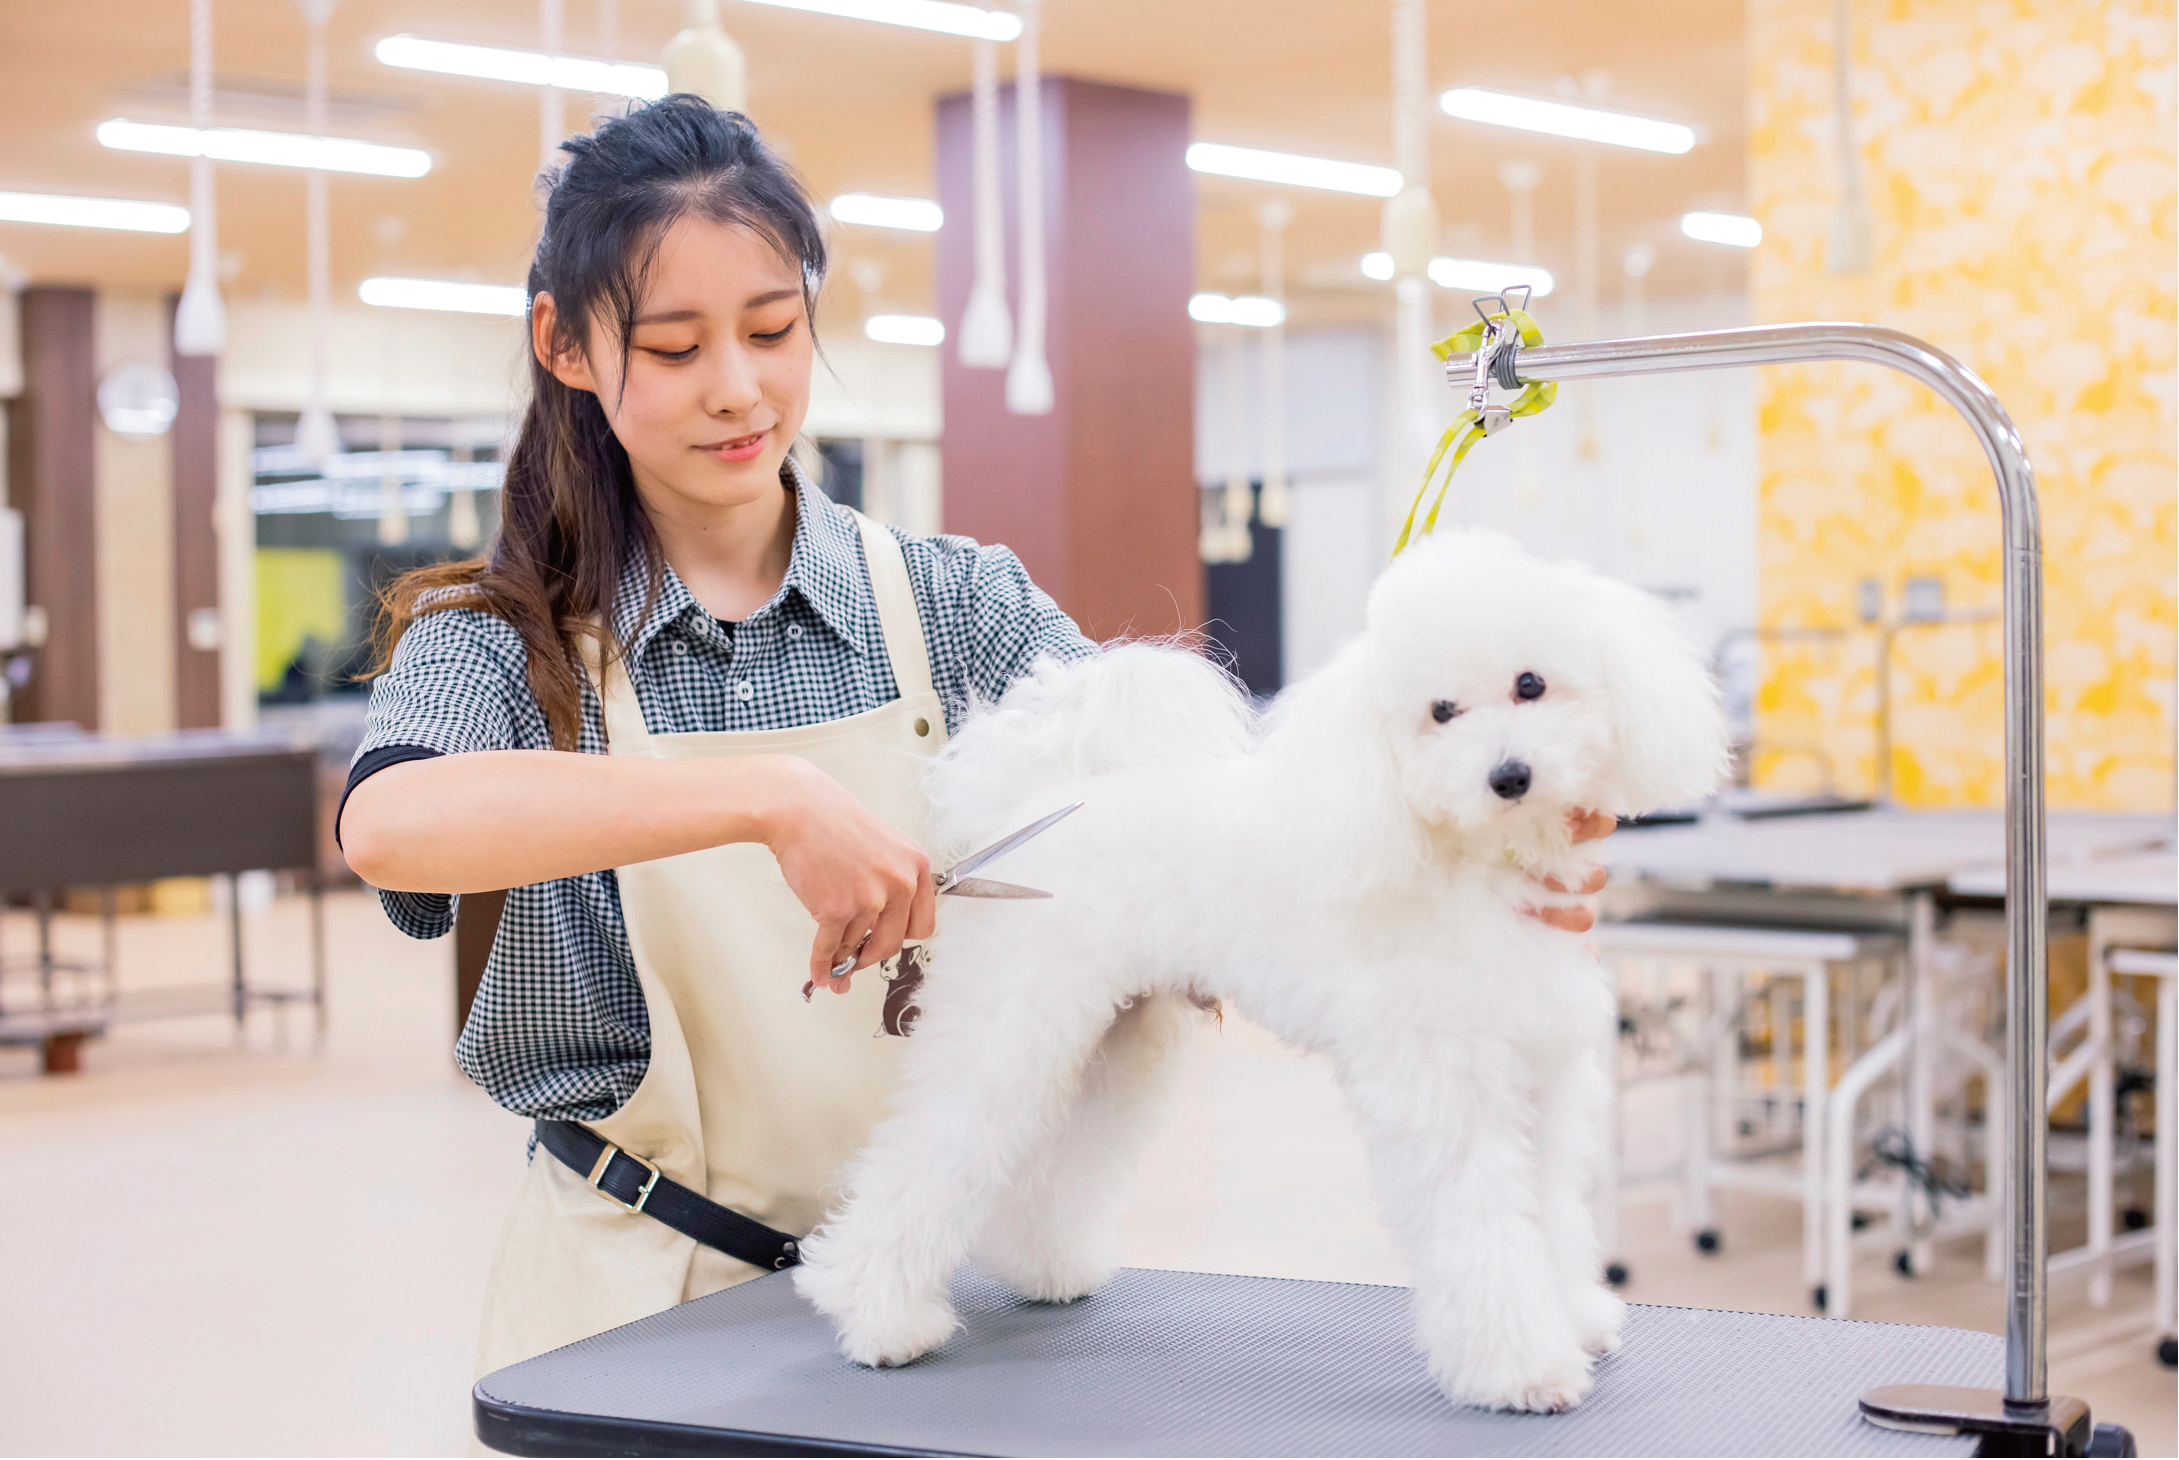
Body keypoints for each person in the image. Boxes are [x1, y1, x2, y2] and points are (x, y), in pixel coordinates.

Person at [338, 95, 1614, 1378]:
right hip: (629, 1291)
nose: (739, 388)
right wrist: (767, 798)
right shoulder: (504, 638)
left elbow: (1203, 830)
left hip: (931, 1316)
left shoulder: (954, 603)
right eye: (674, 349)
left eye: (774, 330)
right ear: (563, 343)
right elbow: (390, 827)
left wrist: (1472, 851)